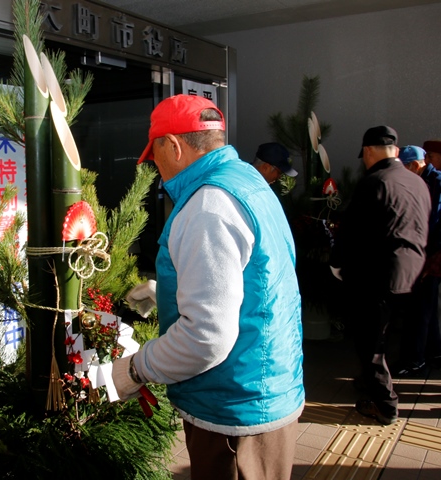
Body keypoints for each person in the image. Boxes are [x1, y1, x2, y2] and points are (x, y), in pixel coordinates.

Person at [112, 94, 304, 480]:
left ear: (175, 146)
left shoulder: (208, 205)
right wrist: (164, 291)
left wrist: (134, 369)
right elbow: (251, 275)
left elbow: (206, 337)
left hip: (234, 411)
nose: (156, 167)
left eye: (155, 156)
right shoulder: (244, 180)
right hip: (266, 385)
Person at [329, 127, 431, 425]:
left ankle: (385, 405)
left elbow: (352, 234)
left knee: (369, 342)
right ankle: (369, 381)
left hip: (377, 276)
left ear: (370, 152)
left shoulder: (374, 182)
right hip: (413, 271)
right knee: (385, 335)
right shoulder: (417, 181)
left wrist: (338, 265)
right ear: (396, 151)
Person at [393, 145, 441, 376]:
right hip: (427, 255)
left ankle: (414, 360)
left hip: (428, 257)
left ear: (414, 165)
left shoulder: (433, 182)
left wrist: (423, 257)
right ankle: (431, 353)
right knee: (427, 310)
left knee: (419, 310)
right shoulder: (428, 180)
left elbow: (433, 223)